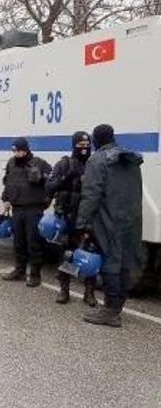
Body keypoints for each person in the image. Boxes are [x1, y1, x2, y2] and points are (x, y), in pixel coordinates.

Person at [78, 124, 143, 327]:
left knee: (110, 263)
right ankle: (118, 305)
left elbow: (91, 194)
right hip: (131, 218)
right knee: (125, 262)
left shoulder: (97, 160)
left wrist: (82, 223)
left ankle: (110, 311)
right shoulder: (130, 159)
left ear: (97, 139)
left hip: (109, 219)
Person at [45, 131, 97, 306]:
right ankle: (64, 290)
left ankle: (89, 292)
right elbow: (49, 188)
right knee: (67, 255)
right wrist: (67, 177)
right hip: (67, 218)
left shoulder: (94, 165)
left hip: (89, 219)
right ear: (74, 146)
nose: (84, 149)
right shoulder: (63, 164)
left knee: (90, 256)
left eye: (87, 145)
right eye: (80, 146)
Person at [1, 137, 52, 287]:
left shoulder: (39, 163)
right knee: (18, 242)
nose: (17, 154)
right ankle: (20, 271)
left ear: (26, 149)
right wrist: (6, 199)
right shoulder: (11, 163)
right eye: (14, 150)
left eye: (19, 150)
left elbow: (51, 182)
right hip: (17, 208)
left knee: (34, 243)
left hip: (33, 208)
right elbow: (8, 183)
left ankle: (35, 275)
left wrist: (40, 178)